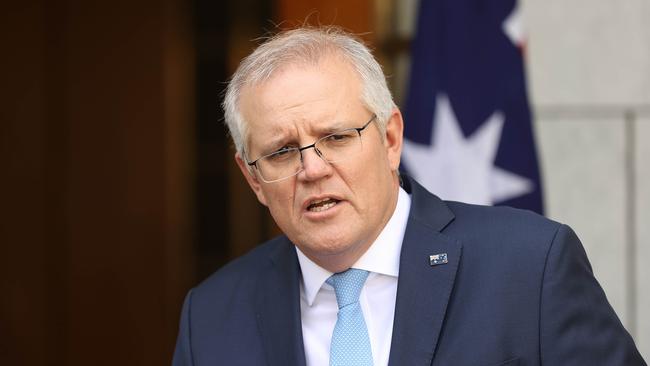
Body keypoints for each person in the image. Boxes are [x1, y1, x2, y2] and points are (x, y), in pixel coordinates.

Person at [172, 26, 646, 366]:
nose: (312, 169)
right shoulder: (212, 316)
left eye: (336, 137)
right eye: (281, 152)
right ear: (253, 179)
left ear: (391, 138)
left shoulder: (529, 265)